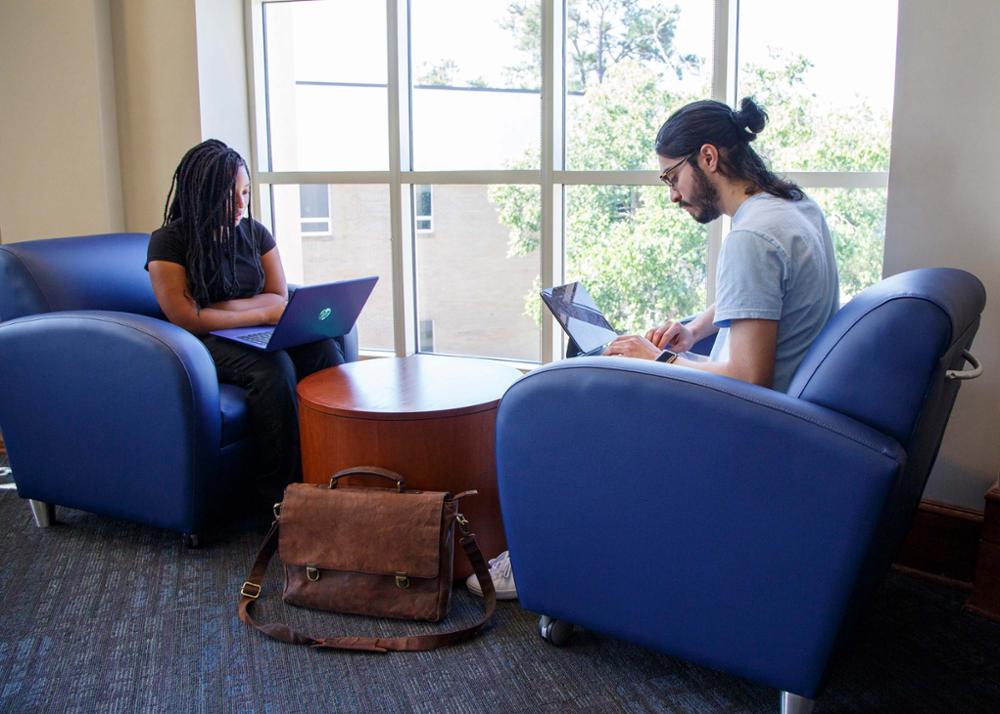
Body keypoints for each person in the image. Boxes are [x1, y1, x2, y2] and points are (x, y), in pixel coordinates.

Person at [467, 97, 840, 601]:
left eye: (671, 178)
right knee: (601, 377)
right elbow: (770, 293)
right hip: (779, 412)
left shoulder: (750, 237)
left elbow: (749, 377)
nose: (672, 196)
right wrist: (694, 329)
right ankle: (550, 547)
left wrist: (658, 358)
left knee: (564, 412)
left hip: (747, 427)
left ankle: (538, 557)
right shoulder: (793, 207)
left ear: (707, 157)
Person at [146, 139, 345, 507]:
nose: (241, 204)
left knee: (322, 349)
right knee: (274, 368)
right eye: (229, 195)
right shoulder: (168, 242)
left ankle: (340, 471)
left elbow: (278, 296)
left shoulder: (255, 233)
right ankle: (281, 497)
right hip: (201, 343)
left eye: (245, 192)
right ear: (202, 195)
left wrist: (223, 307)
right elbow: (187, 317)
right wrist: (261, 312)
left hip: (249, 331)